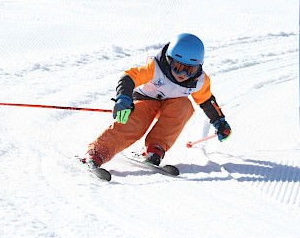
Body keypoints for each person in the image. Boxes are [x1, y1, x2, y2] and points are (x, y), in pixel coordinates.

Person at [84, 33, 231, 169]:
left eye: (189, 70)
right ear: (169, 60)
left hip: (171, 107)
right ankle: (98, 152)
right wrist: (124, 98)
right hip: (145, 100)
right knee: (136, 122)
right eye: (178, 67)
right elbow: (129, 77)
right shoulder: (155, 67)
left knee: (185, 106)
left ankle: (154, 149)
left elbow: (206, 101)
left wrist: (219, 121)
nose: (182, 74)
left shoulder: (199, 81)